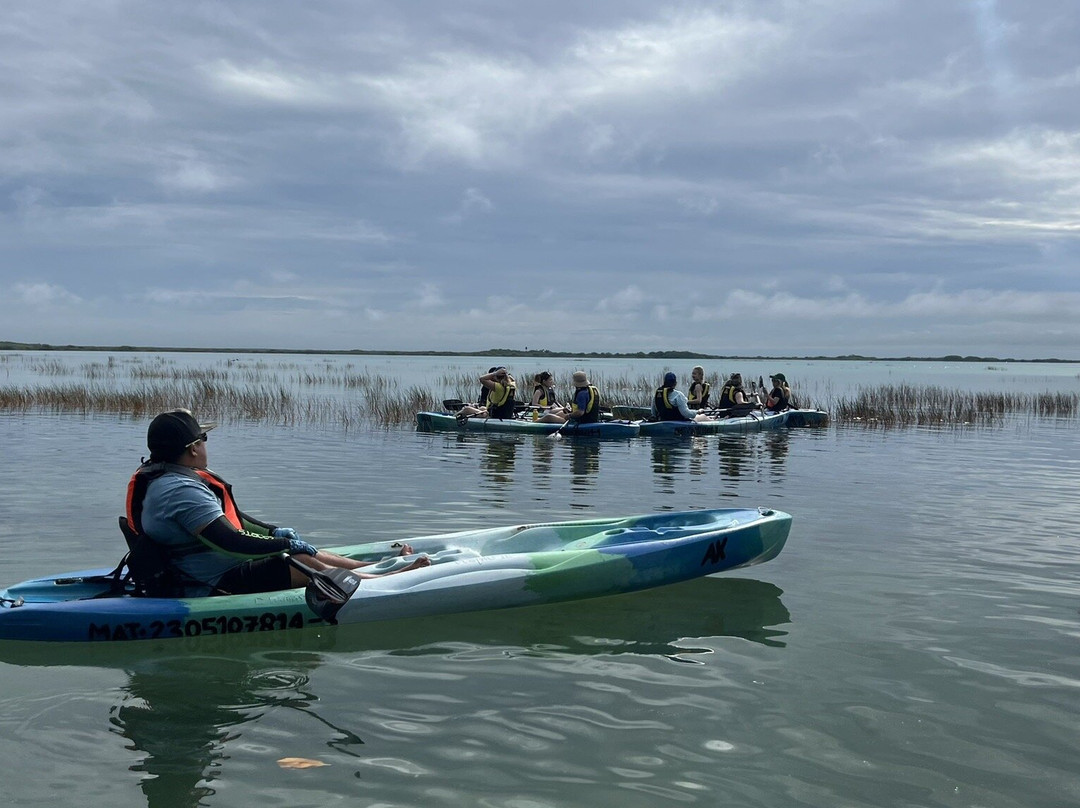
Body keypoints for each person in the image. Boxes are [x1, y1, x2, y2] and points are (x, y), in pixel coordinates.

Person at [126, 409, 429, 596]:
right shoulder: (181, 491)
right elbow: (230, 542)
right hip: (211, 581)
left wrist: (273, 533)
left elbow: (232, 518)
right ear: (193, 448)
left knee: (300, 549)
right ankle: (384, 580)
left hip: (204, 569)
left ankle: (372, 566)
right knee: (298, 559)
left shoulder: (171, 478)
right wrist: (283, 546)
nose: (206, 444)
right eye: (204, 439)